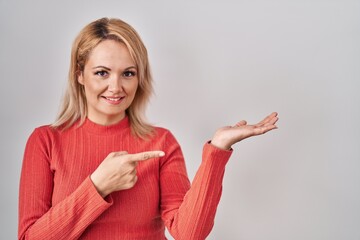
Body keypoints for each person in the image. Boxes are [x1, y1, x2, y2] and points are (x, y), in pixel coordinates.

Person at [18, 17, 279, 240]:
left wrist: (218, 150)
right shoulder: (45, 141)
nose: (116, 86)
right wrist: (97, 187)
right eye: (102, 73)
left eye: (128, 73)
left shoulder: (161, 142)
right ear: (79, 75)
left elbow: (189, 233)